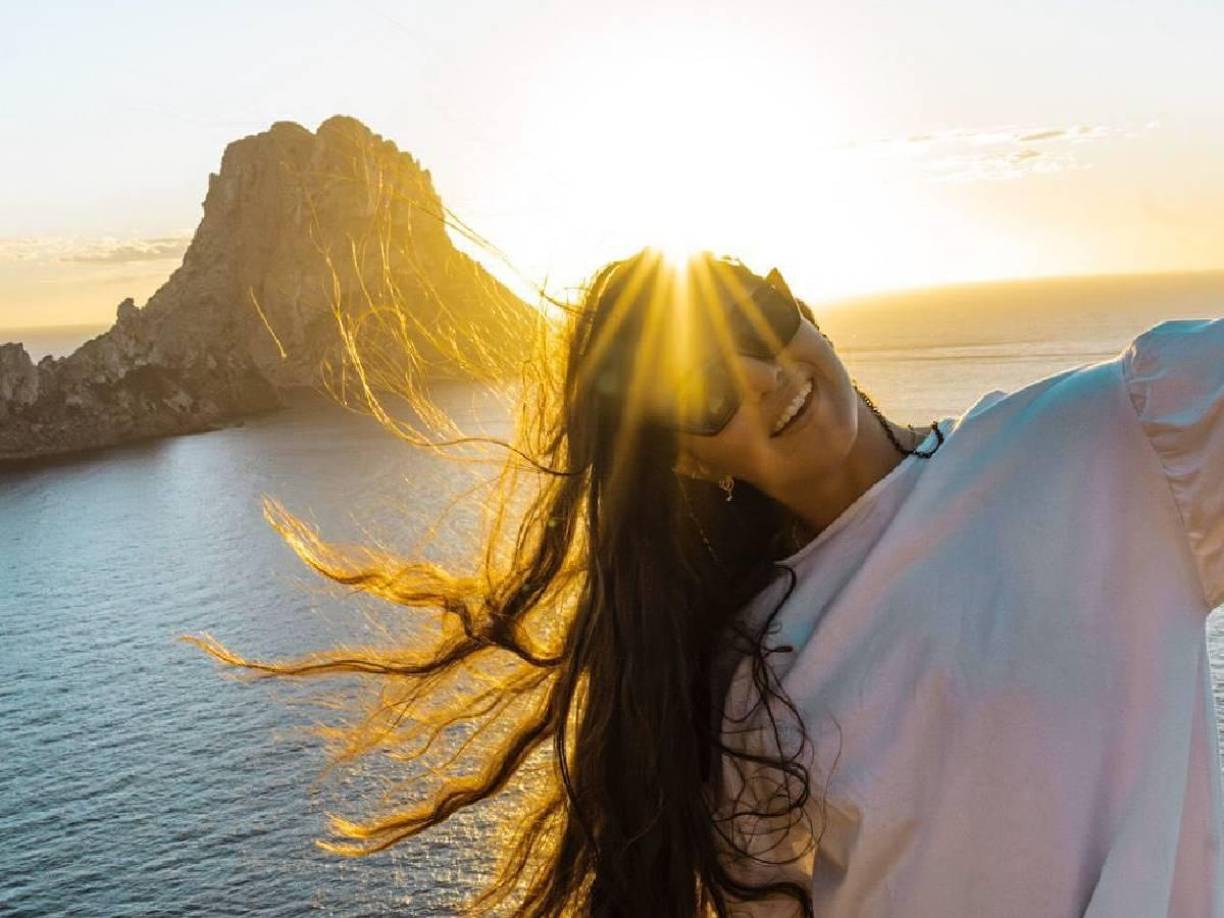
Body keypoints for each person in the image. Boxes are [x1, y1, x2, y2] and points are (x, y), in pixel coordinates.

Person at [194, 248, 1224, 917]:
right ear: (688, 457)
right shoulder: (753, 680)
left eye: (758, 317)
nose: (761, 377)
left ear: (805, 307)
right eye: (700, 391)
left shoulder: (1115, 436)